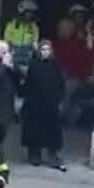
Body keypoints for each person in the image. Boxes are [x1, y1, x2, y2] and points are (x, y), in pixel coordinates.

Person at [20, 39, 69, 170]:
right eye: (43, 49)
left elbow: (61, 83)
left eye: (48, 49)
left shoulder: (55, 65)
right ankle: (34, 155)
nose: (45, 52)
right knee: (35, 130)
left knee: (52, 131)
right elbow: (28, 84)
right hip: (35, 104)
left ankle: (52, 156)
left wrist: (60, 100)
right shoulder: (34, 65)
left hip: (51, 104)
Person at [4, 0, 41, 71]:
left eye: (32, 13)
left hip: (27, 55)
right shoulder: (12, 24)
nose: (30, 15)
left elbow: (35, 41)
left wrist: (37, 52)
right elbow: (7, 39)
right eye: (29, 12)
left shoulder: (33, 26)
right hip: (14, 53)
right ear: (22, 12)